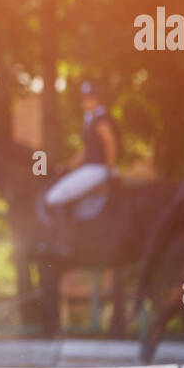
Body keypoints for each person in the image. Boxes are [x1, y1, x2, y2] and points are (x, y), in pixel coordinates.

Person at [39, 81, 119, 257]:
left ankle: (65, 242)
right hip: (91, 168)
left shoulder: (100, 119)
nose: (85, 102)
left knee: (54, 197)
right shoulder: (91, 119)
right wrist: (67, 166)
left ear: (98, 99)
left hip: (98, 169)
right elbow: (86, 151)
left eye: (89, 98)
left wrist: (109, 170)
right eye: (84, 99)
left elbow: (110, 143)